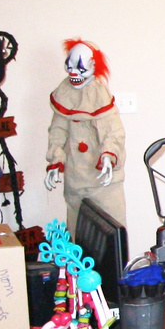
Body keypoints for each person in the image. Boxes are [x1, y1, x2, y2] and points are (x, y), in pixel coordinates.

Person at [43, 39, 125, 228]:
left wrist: (108, 155)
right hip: (75, 179)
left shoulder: (99, 95)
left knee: (111, 238)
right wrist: (55, 160)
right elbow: (58, 131)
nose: (74, 73)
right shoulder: (65, 93)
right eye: (70, 67)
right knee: (77, 235)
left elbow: (113, 132)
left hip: (103, 184)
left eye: (80, 68)